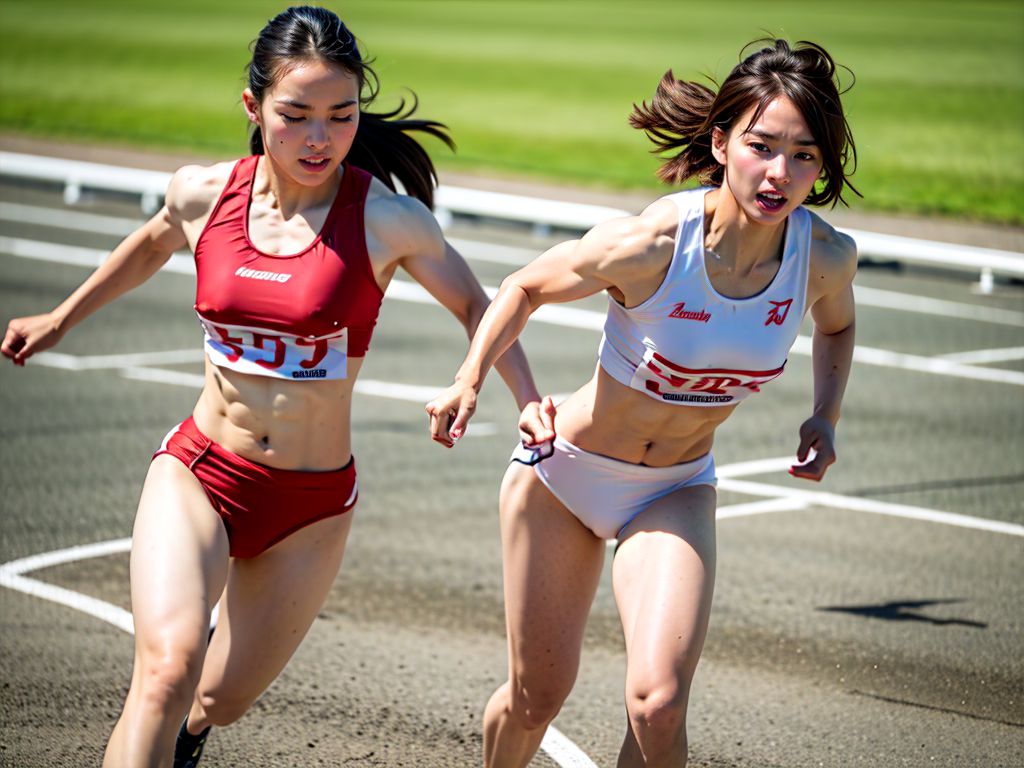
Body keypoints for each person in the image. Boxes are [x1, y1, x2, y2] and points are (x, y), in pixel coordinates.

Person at [2, 7, 542, 767]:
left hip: (311, 507)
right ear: (254, 108)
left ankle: (187, 741)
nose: (318, 138)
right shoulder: (203, 194)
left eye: (340, 116)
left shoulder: (389, 220)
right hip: (199, 474)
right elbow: (152, 241)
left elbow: (478, 307)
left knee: (217, 701)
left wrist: (512, 393)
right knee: (164, 670)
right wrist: (60, 317)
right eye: (295, 116)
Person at [426, 38, 859, 767]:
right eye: (762, 146)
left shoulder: (823, 257)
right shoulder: (655, 242)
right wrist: (471, 375)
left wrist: (826, 412)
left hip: (675, 488)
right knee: (537, 697)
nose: (780, 173)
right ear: (721, 143)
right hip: (564, 475)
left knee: (658, 704)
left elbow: (839, 325)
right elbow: (526, 285)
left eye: (805, 155)